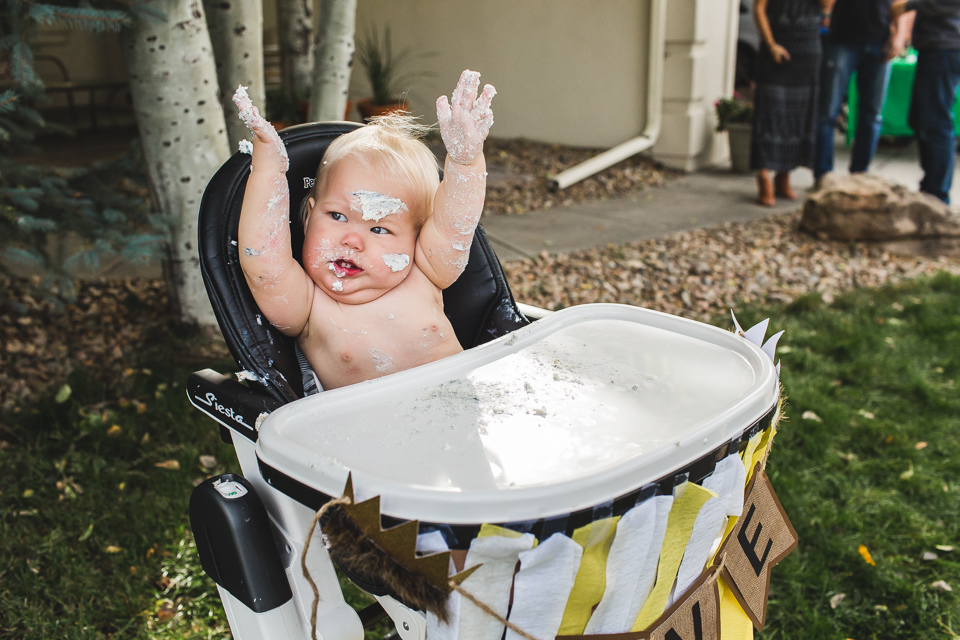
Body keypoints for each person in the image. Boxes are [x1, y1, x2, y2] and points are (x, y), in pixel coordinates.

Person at [233, 70, 496, 390]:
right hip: (368, 435)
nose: (352, 240)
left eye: (380, 229)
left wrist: (466, 164)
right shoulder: (307, 305)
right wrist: (267, 172)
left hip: (457, 418)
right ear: (308, 217)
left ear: (417, 238)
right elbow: (264, 264)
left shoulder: (426, 272)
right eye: (337, 216)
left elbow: (455, 223)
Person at [814, 0, 914, 181]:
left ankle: (859, 177)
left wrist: (899, 35)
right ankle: (823, 177)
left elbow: (900, 3)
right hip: (841, 39)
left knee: (872, 115)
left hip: (880, 41)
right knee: (827, 114)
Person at [752, 0, 831, 205]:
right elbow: (759, 9)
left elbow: (827, 5)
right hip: (775, 46)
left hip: (808, 49)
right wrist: (771, 45)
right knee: (769, 111)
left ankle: (784, 174)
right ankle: (763, 175)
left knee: (798, 114)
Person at [892, 0, 960, 202]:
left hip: (944, 47)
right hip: (935, 47)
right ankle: (931, 188)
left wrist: (908, 6)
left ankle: (936, 195)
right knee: (922, 119)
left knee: (936, 123)